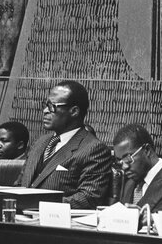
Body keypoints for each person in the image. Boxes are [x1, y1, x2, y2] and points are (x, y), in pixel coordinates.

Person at [16, 80, 112, 208]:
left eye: (52, 106)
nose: (45, 111)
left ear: (74, 111)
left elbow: (88, 198)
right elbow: (19, 184)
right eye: (45, 105)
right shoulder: (40, 142)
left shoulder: (94, 149)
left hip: (55, 222)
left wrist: (37, 205)